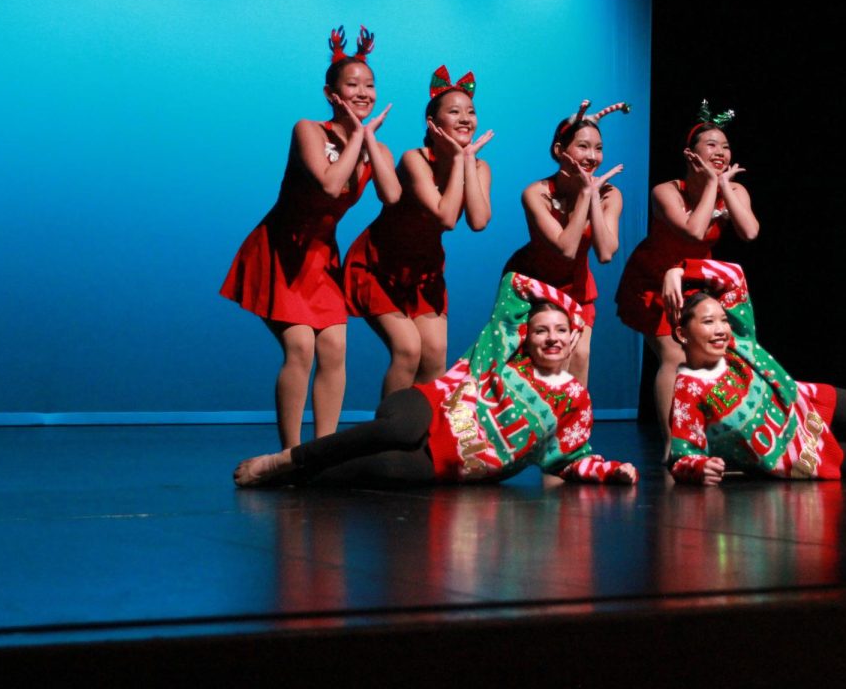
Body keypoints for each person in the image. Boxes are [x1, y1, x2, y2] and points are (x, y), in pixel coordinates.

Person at [233, 274, 638, 488]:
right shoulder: (502, 353)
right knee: (401, 429)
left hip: (451, 463)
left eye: (560, 331)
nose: (551, 338)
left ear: (572, 340)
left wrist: (613, 472)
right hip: (429, 407)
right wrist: (575, 311)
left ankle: (290, 479)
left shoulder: (575, 402)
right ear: (527, 336)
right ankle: (283, 460)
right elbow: (515, 283)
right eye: (541, 330)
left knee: (385, 471)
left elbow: (571, 458)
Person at [220, 26, 401, 448]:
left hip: (321, 258)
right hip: (280, 250)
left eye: (369, 85)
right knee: (300, 345)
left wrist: (368, 138)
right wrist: (357, 135)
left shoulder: (376, 147)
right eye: (352, 85)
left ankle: (322, 450)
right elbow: (329, 185)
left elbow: (391, 195)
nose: (363, 93)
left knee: (335, 347)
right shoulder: (309, 130)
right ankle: (291, 453)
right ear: (330, 93)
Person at [663, 259, 846, 485]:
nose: (721, 329)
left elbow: (734, 276)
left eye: (723, 320)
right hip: (804, 455)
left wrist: (679, 270)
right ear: (682, 334)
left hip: (812, 403)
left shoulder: (737, 341)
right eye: (709, 322)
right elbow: (683, 455)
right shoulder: (688, 392)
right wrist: (701, 468)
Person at [344, 66, 493, 397]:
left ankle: (418, 440)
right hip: (380, 266)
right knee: (408, 350)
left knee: (435, 355)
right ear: (433, 124)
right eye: (454, 112)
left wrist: (466, 161)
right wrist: (459, 162)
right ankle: (386, 436)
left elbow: (479, 221)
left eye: (471, 111)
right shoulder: (415, 160)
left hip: (424, 271)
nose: (466, 118)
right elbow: (446, 218)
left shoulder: (479, 166)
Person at [615, 100, 759, 435]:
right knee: (673, 356)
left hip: (694, 277)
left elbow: (749, 232)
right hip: (653, 279)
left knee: (705, 358)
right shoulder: (665, 191)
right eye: (711, 145)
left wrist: (723, 186)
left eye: (725, 146)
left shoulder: (734, 189)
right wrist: (712, 183)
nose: (720, 151)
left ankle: (704, 434)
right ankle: (673, 444)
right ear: (690, 154)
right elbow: (695, 230)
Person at [502, 100, 629, 384]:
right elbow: (566, 247)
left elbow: (606, 252)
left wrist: (593, 196)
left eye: (598, 148)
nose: (592, 156)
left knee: (578, 358)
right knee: (531, 369)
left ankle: (572, 427)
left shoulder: (609, 194)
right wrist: (586, 193)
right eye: (583, 146)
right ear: (560, 151)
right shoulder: (536, 193)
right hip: (531, 287)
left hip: (576, 288)